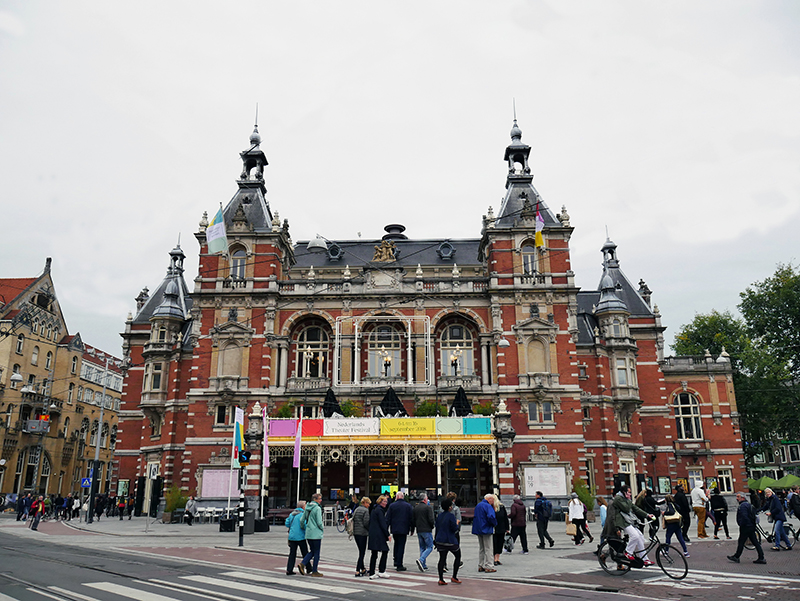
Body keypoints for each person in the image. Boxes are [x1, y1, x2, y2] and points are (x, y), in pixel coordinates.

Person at [609, 484, 655, 566]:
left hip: (629, 521)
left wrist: (647, 515)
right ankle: (628, 552)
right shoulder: (618, 499)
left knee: (640, 536)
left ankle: (645, 559)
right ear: (624, 492)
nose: (630, 494)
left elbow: (635, 508)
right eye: (629, 492)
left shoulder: (626, 499)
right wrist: (629, 501)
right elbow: (626, 508)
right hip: (622, 522)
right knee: (635, 536)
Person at [727, 491, 766, 564]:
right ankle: (761, 557)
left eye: (738, 497)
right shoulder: (749, 505)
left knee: (741, 541)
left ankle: (736, 557)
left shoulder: (743, 506)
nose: (737, 498)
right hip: (751, 526)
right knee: (755, 542)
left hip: (746, 527)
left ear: (743, 498)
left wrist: (742, 524)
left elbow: (744, 517)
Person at [434, 498, 461, 585]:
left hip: (440, 540)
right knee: (457, 556)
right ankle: (454, 576)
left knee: (442, 558)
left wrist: (436, 539)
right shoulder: (451, 516)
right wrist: (456, 526)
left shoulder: (439, 516)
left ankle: (441, 578)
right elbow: (454, 528)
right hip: (450, 540)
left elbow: (437, 528)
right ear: (449, 507)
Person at [385, 490, 413, 571]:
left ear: (396, 497)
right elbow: (411, 518)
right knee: (401, 546)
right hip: (404, 529)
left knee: (396, 544)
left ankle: (396, 560)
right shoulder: (408, 506)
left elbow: (388, 518)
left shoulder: (392, 506)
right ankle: (399, 564)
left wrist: (386, 529)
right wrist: (412, 528)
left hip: (395, 528)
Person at [298, 493, 324, 577]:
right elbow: (319, 521)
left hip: (308, 533)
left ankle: (303, 564)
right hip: (316, 533)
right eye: (319, 499)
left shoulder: (307, 507)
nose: (321, 500)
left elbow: (302, 520)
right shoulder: (317, 508)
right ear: (315, 499)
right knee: (316, 552)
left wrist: (304, 527)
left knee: (312, 551)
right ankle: (314, 571)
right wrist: (322, 528)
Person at [472, 493, 497, 572]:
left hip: (478, 529)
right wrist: (494, 524)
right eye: (492, 500)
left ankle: (481, 565)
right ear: (489, 499)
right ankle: (489, 566)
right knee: (488, 548)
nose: (493, 502)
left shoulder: (478, 505)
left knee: (481, 548)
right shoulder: (488, 506)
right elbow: (491, 517)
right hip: (486, 529)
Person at [368, 495, 391, 579]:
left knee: (374, 553)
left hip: (373, 534)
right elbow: (382, 523)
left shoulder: (374, 509)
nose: (386, 503)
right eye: (384, 501)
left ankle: (372, 572)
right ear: (380, 502)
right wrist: (387, 534)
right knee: (385, 550)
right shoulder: (380, 511)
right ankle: (381, 570)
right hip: (379, 535)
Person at [285, 501, 309, 575]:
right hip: (300, 536)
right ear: (302, 507)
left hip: (292, 537)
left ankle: (289, 569)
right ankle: (308, 568)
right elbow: (304, 525)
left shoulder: (292, 514)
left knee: (292, 554)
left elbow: (287, 523)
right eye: (305, 505)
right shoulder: (302, 515)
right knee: (305, 552)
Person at [412, 493, 435, 572]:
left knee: (422, 547)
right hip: (427, 529)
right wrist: (432, 526)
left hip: (419, 530)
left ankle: (423, 565)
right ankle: (421, 560)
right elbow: (431, 519)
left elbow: (413, 519)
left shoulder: (416, 508)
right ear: (425, 499)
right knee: (430, 547)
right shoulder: (428, 508)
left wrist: (413, 528)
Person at [352, 497, 371, 577]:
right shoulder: (365, 511)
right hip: (363, 533)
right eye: (368, 503)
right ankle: (357, 570)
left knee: (360, 550)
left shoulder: (357, 509)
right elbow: (366, 523)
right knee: (362, 553)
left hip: (356, 533)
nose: (369, 505)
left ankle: (363, 569)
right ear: (365, 503)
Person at [492, 496, 509, 565]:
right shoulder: (490, 507)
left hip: (501, 528)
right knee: (494, 544)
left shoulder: (501, 507)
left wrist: (507, 528)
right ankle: (494, 559)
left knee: (500, 543)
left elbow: (505, 518)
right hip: (493, 529)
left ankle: (497, 558)